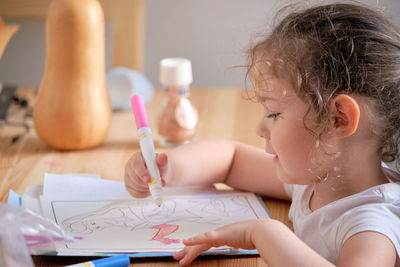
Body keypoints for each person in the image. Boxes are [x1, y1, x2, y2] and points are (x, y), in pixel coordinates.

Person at [124, 3, 400, 266]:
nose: (260, 128)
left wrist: (264, 233)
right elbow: (231, 159)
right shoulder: (319, 177)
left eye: (274, 114)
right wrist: (167, 168)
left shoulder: (372, 226)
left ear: (338, 119)